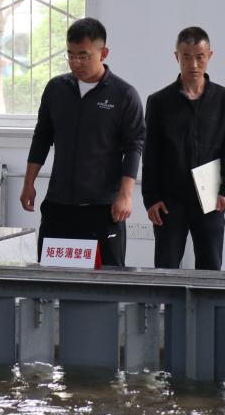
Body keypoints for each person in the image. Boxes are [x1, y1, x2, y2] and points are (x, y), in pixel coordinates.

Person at [20, 17, 145, 267]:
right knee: (52, 276)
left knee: (106, 278)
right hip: (59, 204)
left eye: (84, 56)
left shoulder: (123, 94)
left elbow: (134, 146)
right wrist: (28, 183)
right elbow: (42, 136)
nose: (76, 62)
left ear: (103, 53)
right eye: (71, 55)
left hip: (102, 207)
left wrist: (125, 195)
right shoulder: (56, 89)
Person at [142, 26, 225, 270]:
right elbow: (151, 155)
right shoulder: (159, 102)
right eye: (186, 57)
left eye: (200, 57)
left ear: (210, 56)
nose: (193, 64)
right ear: (176, 56)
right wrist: (151, 199)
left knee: (210, 268)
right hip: (169, 200)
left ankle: (208, 300)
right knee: (165, 268)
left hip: (210, 198)